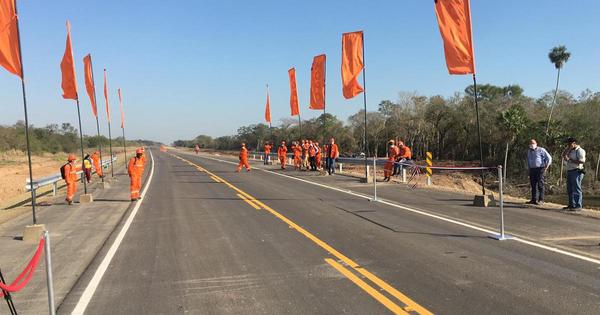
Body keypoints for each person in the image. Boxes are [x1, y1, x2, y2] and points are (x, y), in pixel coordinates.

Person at [526, 139, 552, 205]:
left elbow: (549, 158)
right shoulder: (529, 151)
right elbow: (528, 160)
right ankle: (533, 199)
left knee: (540, 184)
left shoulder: (541, 150)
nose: (532, 145)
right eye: (530, 143)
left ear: (536, 143)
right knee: (533, 185)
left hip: (540, 169)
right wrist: (529, 169)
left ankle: (541, 200)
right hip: (532, 169)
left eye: (533, 143)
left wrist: (546, 167)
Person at [563, 137, 586, 211]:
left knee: (576, 189)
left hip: (576, 171)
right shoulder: (570, 150)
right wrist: (568, 149)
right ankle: (571, 205)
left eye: (569, 143)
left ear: (574, 143)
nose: (568, 145)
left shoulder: (580, 150)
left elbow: (582, 161)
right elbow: (563, 155)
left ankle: (578, 205)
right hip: (570, 171)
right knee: (569, 189)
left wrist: (570, 159)